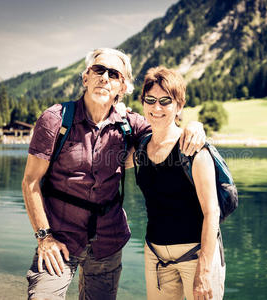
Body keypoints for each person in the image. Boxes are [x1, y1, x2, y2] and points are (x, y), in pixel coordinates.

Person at [22, 48, 205, 300]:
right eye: (98, 70)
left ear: (123, 87)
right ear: (85, 77)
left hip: (107, 242)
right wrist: (45, 237)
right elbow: (30, 181)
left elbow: (165, 130)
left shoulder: (131, 124)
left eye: (113, 74)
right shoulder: (55, 120)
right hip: (59, 239)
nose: (104, 78)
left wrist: (194, 126)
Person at [128, 66, 225, 300]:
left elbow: (212, 212)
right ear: (143, 103)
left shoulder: (193, 150)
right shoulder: (140, 149)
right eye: (150, 100)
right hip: (156, 256)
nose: (157, 107)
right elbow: (106, 162)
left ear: (179, 106)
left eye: (165, 101)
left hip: (196, 255)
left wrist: (204, 271)